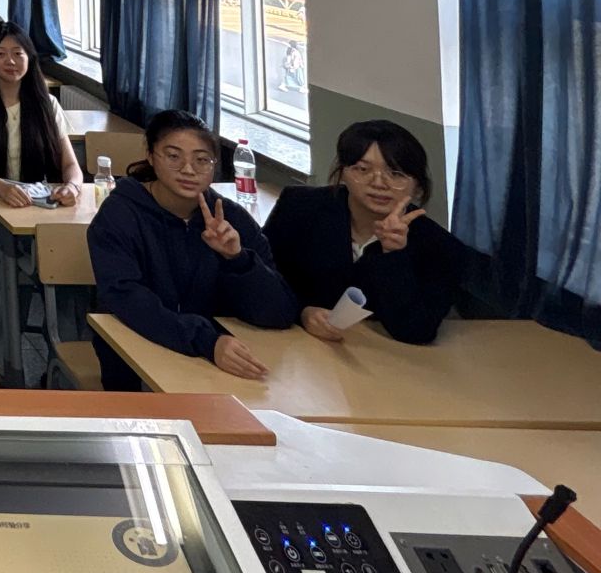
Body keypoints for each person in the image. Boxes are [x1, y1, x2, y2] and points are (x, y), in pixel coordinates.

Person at [88, 109, 297, 390]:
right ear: (150, 156)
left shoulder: (230, 219)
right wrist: (205, 341)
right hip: (138, 352)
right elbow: (125, 298)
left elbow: (280, 313)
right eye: (173, 156)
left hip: (219, 360)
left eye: (202, 160)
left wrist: (237, 259)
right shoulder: (120, 213)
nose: (188, 170)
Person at [0, 22, 82, 381]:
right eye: (1, 54)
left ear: (30, 58)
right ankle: (4, 362)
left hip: (38, 210)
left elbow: (71, 165)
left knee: (67, 272)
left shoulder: (47, 104)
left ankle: (65, 369)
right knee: (3, 274)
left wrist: (73, 187)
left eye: (18, 53)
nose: (10, 61)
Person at [263, 119, 460, 346]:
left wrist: (393, 254)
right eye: (363, 170)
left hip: (376, 355)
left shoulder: (438, 245)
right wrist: (302, 311)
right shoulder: (299, 207)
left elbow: (416, 331)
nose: (379, 183)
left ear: (417, 186)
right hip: (294, 345)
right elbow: (264, 280)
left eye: (396, 174)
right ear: (343, 173)